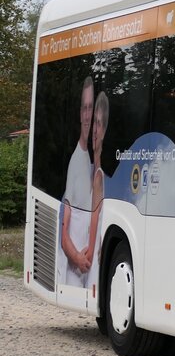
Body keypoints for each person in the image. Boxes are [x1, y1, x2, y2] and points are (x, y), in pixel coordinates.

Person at [59, 77, 94, 287]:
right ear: (80, 114)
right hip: (75, 273)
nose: (88, 115)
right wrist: (78, 258)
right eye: (85, 108)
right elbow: (64, 232)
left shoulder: (89, 157)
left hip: (85, 271)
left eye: (91, 108)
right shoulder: (76, 161)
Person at [85, 91, 109, 291]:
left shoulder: (100, 176)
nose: (95, 129)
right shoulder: (88, 170)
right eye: (94, 122)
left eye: (99, 123)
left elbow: (94, 225)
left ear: (104, 130)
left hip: (90, 261)